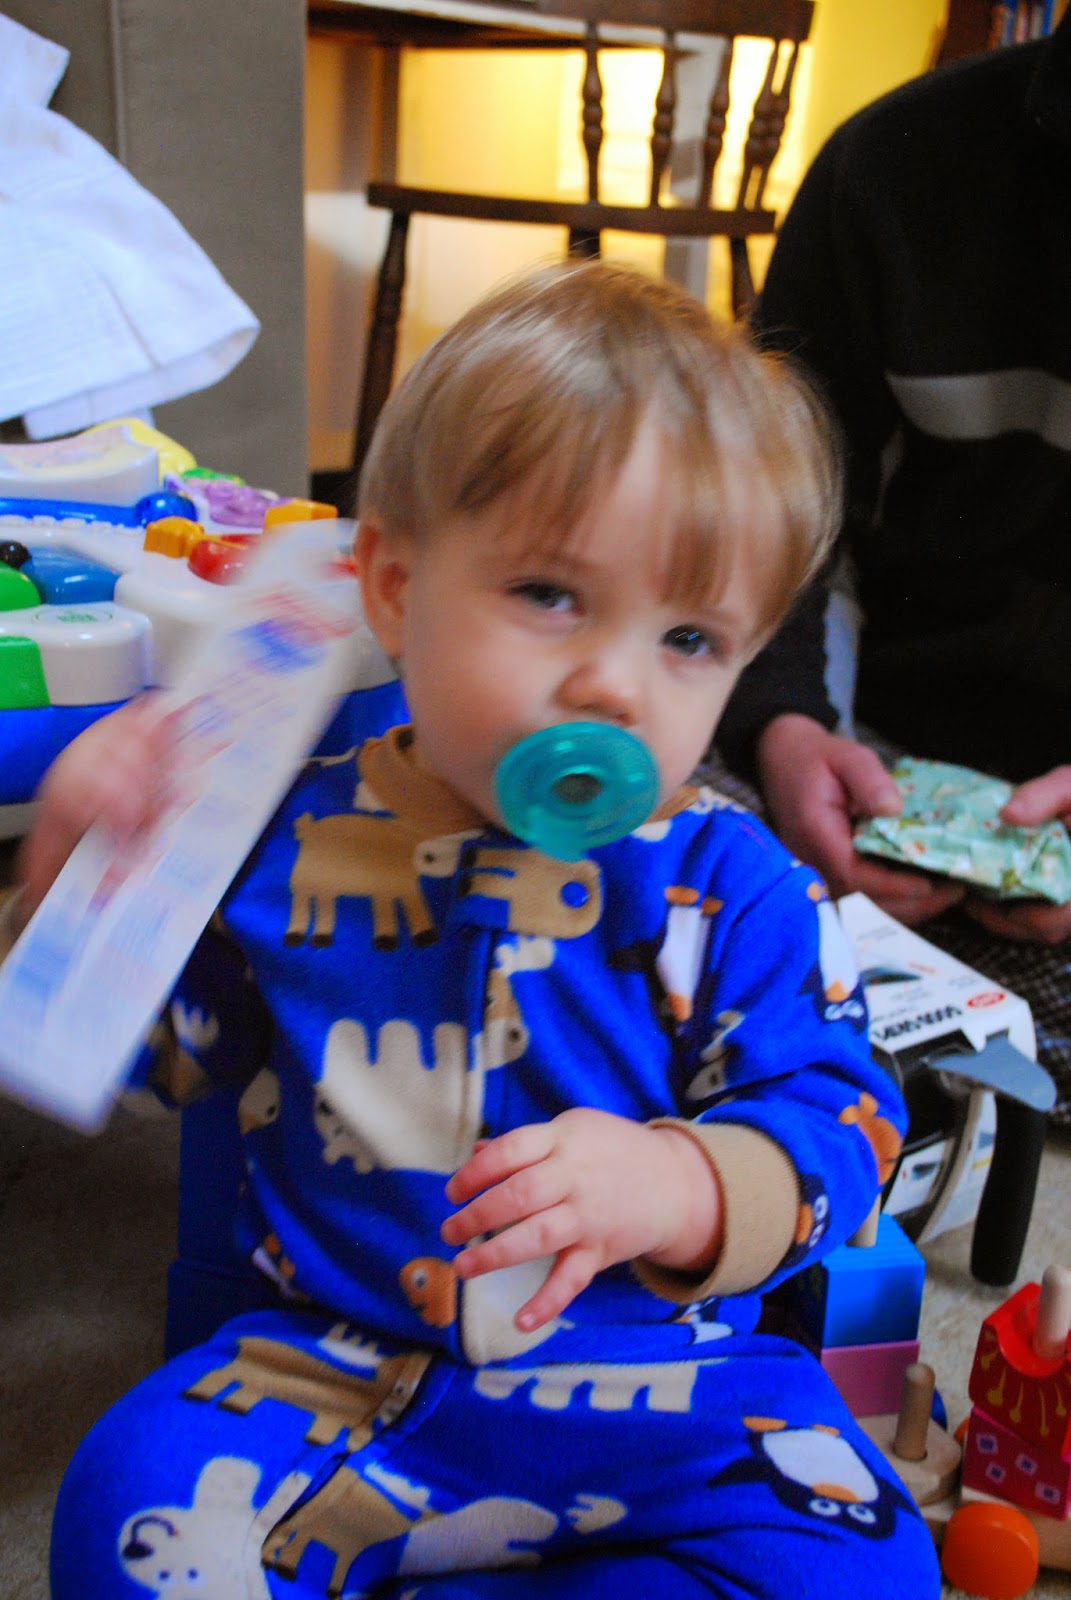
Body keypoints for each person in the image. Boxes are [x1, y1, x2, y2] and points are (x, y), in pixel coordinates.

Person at [20, 263, 938, 1598]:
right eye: (552, 595)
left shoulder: (733, 881)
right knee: (120, 1503)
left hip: (662, 1389)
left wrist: (677, 1182)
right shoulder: (278, 836)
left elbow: (840, 1121)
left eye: (689, 638)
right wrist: (81, 869)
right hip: (328, 1373)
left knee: (863, 1561)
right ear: (394, 588)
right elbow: (154, 1052)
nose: (613, 683)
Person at [714, 19, 1071, 1123]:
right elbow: (774, 521)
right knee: (640, 853)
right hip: (875, 739)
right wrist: (783, 728)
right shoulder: (890, 172)